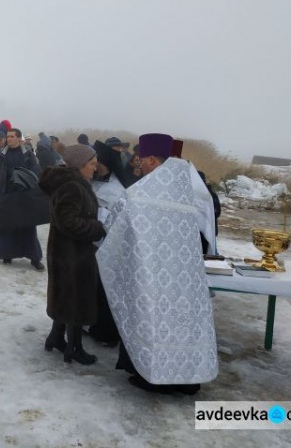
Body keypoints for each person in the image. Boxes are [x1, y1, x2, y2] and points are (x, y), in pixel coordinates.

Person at [97, 133, 218, 394]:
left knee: (152, 321)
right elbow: (209, 223)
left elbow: (114, 223)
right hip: (186, 275)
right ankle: (189, 380)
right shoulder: (192, 186)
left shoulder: (141, 191)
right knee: (184, 323)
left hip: (151, 273)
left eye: (141, 160)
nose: (137, 164)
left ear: (152, 159)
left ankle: (152, 377)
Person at [39, 144, 105, 365]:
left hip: (66, 253)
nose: (95, 168)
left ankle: (56, 337)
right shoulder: (73, 187)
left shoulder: (71, 183)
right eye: (92, 164)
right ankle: (74, 347)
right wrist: (97, 227)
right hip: (72, 255)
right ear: (80, 165)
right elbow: (68, 222)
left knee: (66, 297)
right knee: (76, 299)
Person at [86, 140, 129, 347]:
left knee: (104, 291)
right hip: (88, 243)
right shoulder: (92, 181)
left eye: (97, 162)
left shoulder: (117, 190)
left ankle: (105, 332)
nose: (94, 166)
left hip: (107, 246)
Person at [0, 128, 44, 271]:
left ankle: (35, 258)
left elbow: (36, 173)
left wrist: (36, 192)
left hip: (24, 195)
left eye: (12, 136)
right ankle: (7, 254)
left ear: (19, 139)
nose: (9, 139)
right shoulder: (0, 155)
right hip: (6, 194)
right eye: (8, 137)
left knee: (28, 227)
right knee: (7, 226)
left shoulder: (28, 154)